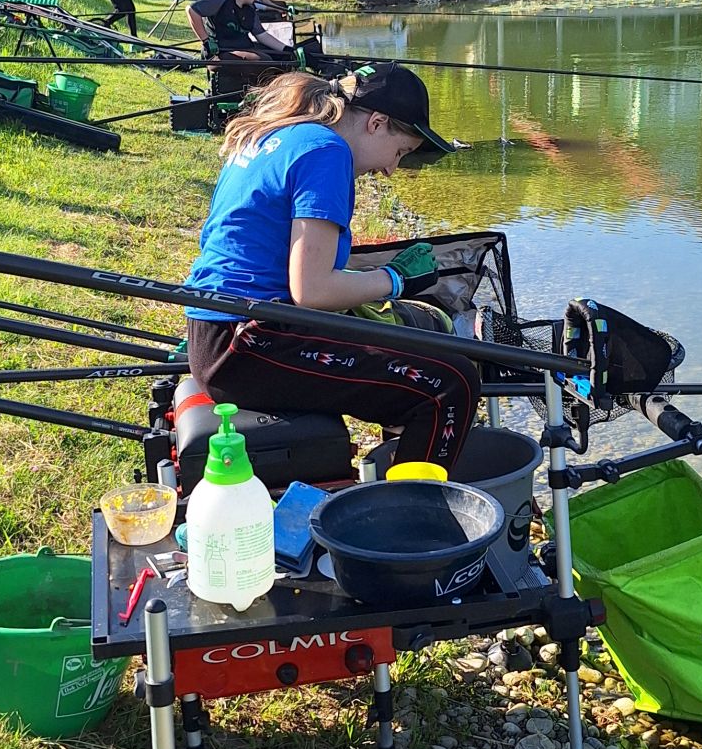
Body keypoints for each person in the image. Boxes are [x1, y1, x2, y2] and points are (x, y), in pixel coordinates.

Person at [184, 63, 480, 469]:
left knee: (415, 345)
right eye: (400, 152)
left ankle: (392, 464)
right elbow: (312, 291)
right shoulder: (327, 151)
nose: (391, 169)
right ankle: (417, 519)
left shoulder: (284, 132)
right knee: (451, 383)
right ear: (376, 123)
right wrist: (394, 280)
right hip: (249, 347)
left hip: (222, 331)